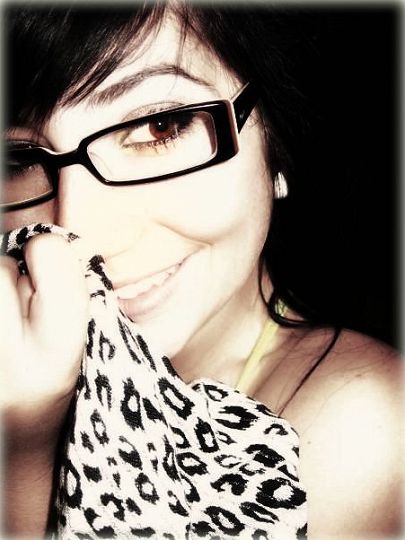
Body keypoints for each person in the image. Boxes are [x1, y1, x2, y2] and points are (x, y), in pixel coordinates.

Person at [1, 2, 402, 539]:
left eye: (159, 126)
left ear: (277, 141)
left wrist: (21, 453)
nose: (81, 230)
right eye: (20, 159)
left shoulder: (363, 425)